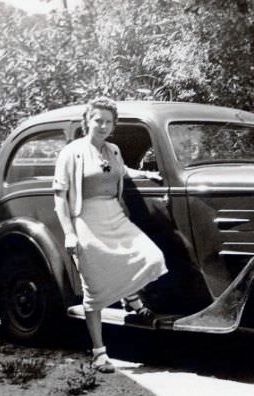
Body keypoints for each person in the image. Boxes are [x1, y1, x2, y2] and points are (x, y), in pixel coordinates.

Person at [53, 97, 168, 373]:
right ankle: (99, 352)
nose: (103, 126)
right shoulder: (72, 152)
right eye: (98, 120)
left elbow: (121, 171)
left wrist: (147, 175)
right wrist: (69, 233)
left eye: (108, 122)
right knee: (94, 289)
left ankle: (130, 298)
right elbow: (59, 196)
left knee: (152, 258)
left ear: (113, 125)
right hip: (85, 219)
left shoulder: (113, 150)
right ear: (87, 121)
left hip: (114, 214)